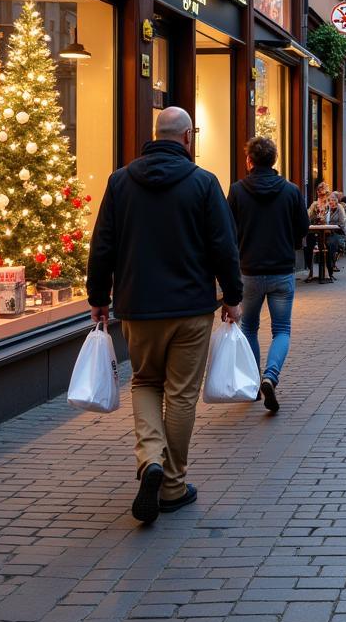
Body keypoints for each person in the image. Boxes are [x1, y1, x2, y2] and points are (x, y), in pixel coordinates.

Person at [87, 107, 243, 524]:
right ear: (188, 138)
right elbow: (223, 246)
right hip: (192, 308)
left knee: (144, 381)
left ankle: (150, 460)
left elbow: (102, 245)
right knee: (181, 395)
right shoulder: (203, 183)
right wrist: (232, 295)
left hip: (138, 306)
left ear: (155, 135)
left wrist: (98, 296)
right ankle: (172, 484)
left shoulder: (120, 182)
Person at [227, 136, 309, 414]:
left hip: (248, 271)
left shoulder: (237, 191)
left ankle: (252, 383)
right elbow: (303, 226)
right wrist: (291, 245)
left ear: (249, 160)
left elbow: (227, 230)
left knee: (249, 327)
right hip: (282, 270)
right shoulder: (291, 190)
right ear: (274, 160)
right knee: (282, 330)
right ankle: (270, 376)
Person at [303, 182, 331, 280]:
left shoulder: (330, 204)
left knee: (329, 245)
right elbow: (307, 216)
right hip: (315, 231)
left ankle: (327, 271)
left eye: (323, 194)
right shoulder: (314, 204)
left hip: (328, 232)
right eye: (319, 193)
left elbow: (331, 220)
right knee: (307, 246)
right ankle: (311, 271)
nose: (321, 196)